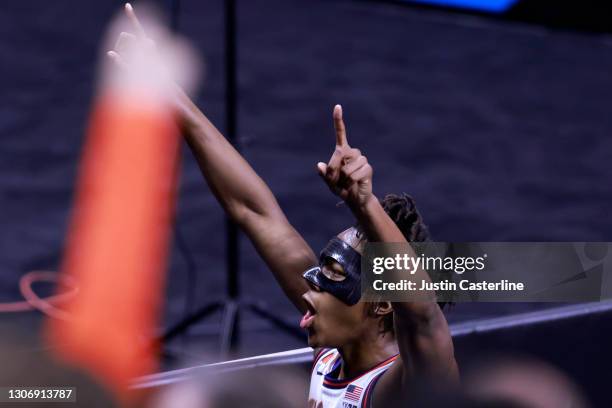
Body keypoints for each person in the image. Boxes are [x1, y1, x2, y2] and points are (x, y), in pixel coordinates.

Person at [110, 4, 459, 406]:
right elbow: (255, 212)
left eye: (332, 272)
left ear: (382, 302)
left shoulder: (410, 386)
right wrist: (171, 95)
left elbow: (422, 314)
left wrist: (365, 204)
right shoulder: (332, 351)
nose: (311, 279)